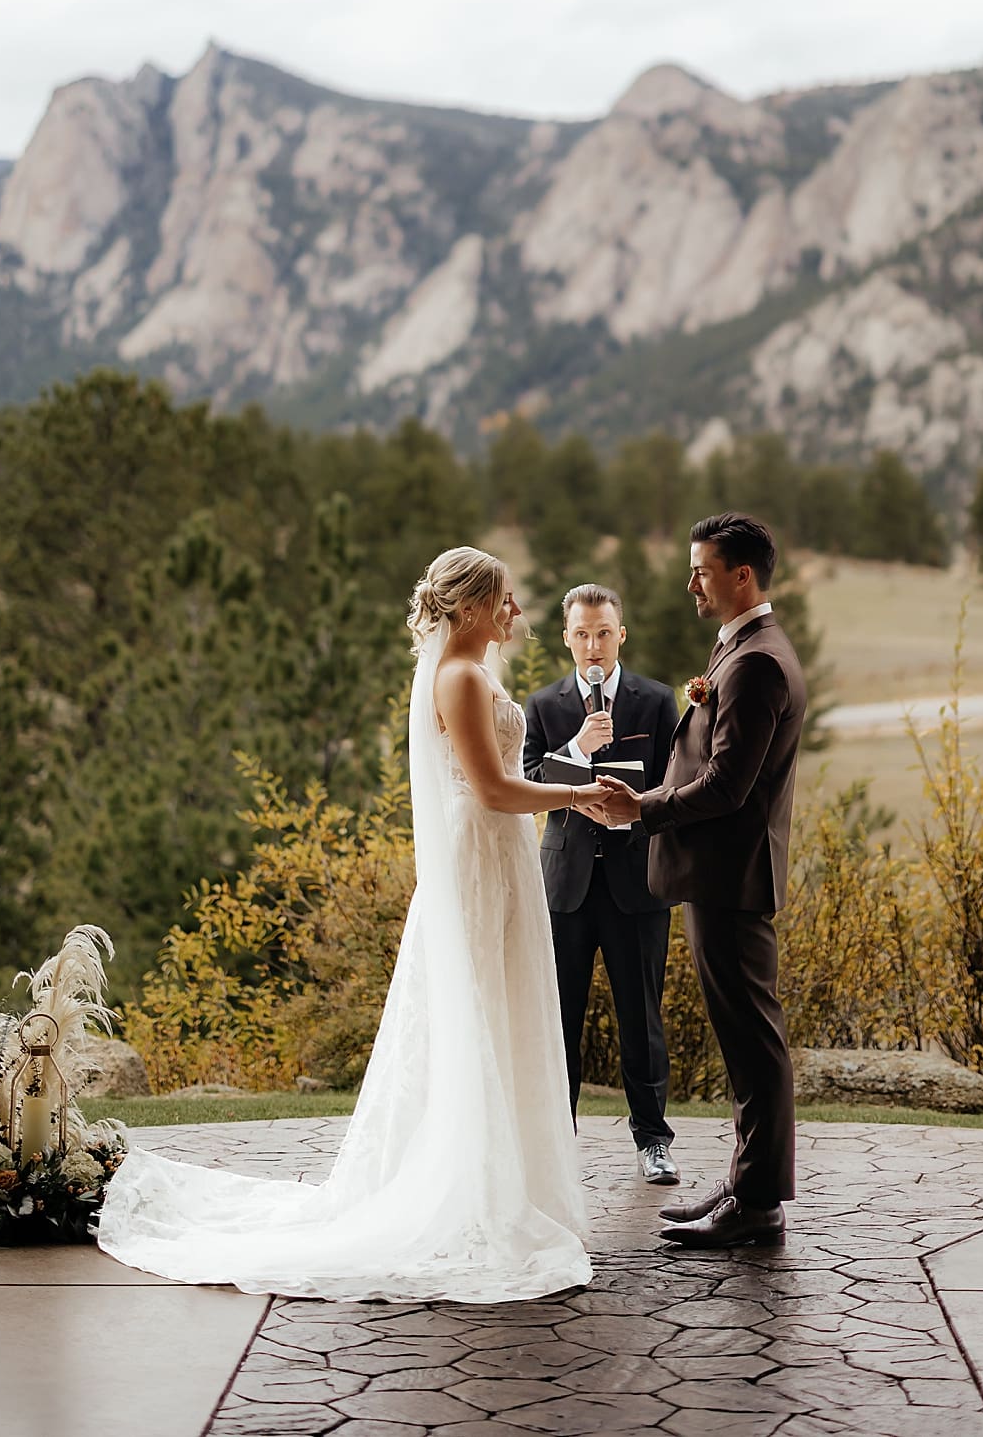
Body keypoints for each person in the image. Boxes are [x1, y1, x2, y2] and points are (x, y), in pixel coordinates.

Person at [99, 547, 612, 1302]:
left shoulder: (477, 673)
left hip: (499, 859)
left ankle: (513, 1183)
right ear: (470, 608)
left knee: (502, 1014)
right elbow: (496, 790)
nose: (516, 613)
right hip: (481, 860)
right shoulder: (461, 678)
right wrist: (579, 795)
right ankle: (471, 1190)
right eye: (504, 599)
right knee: (475, 1014)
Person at [597, 512, 807, 1250]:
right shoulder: (744, 650)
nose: (691, 581)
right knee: (744, 1040)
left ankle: (758, 1205)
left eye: (702, 569)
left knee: (754, 1043)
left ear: (740, 575)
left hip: (729, 877)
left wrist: (642, 808)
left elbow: (726, 785)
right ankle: (747, 1184)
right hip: (717, 874)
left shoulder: (755, 663)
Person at [522, 582, 681, 1184]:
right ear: (567, 638)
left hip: (636, 881)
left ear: (621, 634)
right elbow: (528, 780)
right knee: (558, 1017)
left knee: (641, 1016)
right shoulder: (543, 706)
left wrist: (636, 801)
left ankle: (653, 1143)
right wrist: (576, 748)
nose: (593, 646)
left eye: (604, 633)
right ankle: (556, 1142)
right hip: (564, 885)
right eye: (582, 635)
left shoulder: (657, 701)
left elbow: (675, 779)